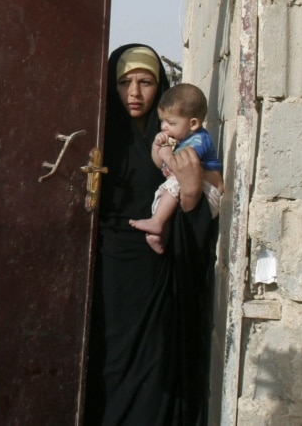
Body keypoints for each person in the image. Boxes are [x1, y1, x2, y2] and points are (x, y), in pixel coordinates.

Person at [84, 45, 218, 425]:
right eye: (124, 82)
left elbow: (201, 196)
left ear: (160, 87)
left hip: (158, 269)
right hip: (110, 272)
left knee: (156, 365)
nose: (134, 93)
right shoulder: (100, 136)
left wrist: (190, 194)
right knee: (109, 362)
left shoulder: (181, 140)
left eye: (145, 82)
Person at [130, 82, 224, 254]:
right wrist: (157, 147)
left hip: (208, 194)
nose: (164, 127)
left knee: (173, 185)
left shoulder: (198, 140)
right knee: (166, 194)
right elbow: (160, 165)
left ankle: (157, 223)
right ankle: (160, 234)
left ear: (193, 123)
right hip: (190, 191)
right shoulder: (181, 140)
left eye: (170, 122)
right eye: (162, 121)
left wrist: (167, 155)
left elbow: (181, 170)